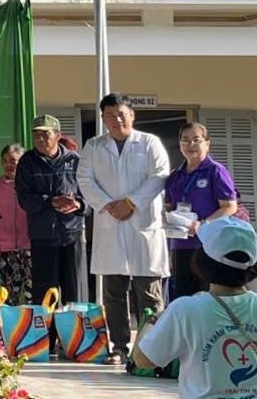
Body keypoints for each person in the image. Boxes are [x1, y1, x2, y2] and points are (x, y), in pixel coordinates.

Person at [135, 217, 257, 399]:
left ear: (202, 261)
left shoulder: (185, 309)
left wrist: (152, 320)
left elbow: (143, 360)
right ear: (253, 265)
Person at [78, 93, 172, 365]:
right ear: (103, 119)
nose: (116, 120)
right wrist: (108, 205)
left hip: (143, 223)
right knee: (113, 293)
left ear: (132, 115)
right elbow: (84, 179)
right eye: (110, 115)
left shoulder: (149, 142)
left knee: (148, 292)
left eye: (121, 114)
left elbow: (160, 175)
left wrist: (131, 203)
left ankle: (152, 350)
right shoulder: (94, 145)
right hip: (110, 222)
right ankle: (119, 347)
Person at [16, 115, 87, 305]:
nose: (40, 139)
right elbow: (23, 198)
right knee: (45, 296)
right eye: (36, 135)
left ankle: (71, 324)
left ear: (57, 135)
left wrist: (78, 204)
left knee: (73, 293)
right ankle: (48, 326)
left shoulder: (75, 160)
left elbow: (90, 196)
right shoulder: (27, 162)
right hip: (43, 237)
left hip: (71, 235)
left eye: (45, 134)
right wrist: (50, 202)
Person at [165, 122, 239, 300]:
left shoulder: (215, 171)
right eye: (185, 140)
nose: (190, 144)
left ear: (207, 143)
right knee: (184, 298)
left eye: (196, 140)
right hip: (181, 244)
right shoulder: (175, 175)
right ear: (180, 145)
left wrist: (203, 224)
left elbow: (230, 206)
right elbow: (168, 205)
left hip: (208, 245)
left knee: (209, 298)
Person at [0, 144, 32, 306]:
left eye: (13, 160)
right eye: (5, 161)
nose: (9, 164)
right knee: (8, 295)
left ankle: (32, 323)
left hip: (29, 247)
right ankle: (9, 323)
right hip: (6, 250)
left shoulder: (31, 185)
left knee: (31, 293)